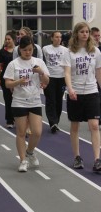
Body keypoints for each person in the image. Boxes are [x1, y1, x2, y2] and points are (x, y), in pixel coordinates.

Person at [4, 36, 49, 172]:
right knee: (21, 132)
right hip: (19, 101)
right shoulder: (14, 64)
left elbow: (47, 81)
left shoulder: (38, 62)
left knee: (37, 132)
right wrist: (18, 82)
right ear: (20, 50)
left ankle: (30, 151)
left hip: (35, 100)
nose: (28, 52)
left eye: (30, 50)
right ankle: (23, 160)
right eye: (25, 50)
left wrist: (41, 72)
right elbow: (7, 84)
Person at [61, 22, 101, 172]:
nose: (85, 34)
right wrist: (70, 89)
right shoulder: (69, 52)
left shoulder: (95, 51)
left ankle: (97, 159)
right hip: (75, 92)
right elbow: (67, 73)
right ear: (76, 33)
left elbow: (98, 73)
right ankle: (77, 156)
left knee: (94, 125)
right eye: (82, 31)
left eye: (87, 31)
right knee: (75, 125)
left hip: (92, 91)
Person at [42, 31, 68, 133]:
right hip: (50, 77)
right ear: (52, 38)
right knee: (50, 100)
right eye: (56, 37)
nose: (58, 39)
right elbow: (42, 62)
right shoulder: (45, 49)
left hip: (61, 78)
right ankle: (52, 122)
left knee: (58, 101)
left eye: (60, 37)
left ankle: (56, 121)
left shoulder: (66, 50)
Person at [0, 30, 17, 128]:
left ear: (14, 40)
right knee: (8, 99)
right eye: (6, 39)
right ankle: (9, 120)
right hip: (6, 77)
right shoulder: (2, 51)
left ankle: (18, 118)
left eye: (9, 39)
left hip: (17, 78)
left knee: (17, 99)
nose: (7, 41)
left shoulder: (18, 50)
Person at [90, 27, 101, 127]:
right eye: (95, 36)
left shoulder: (99, 48)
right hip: (91, 78)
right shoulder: (88, 49)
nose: (97, 38)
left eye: (98, 36)